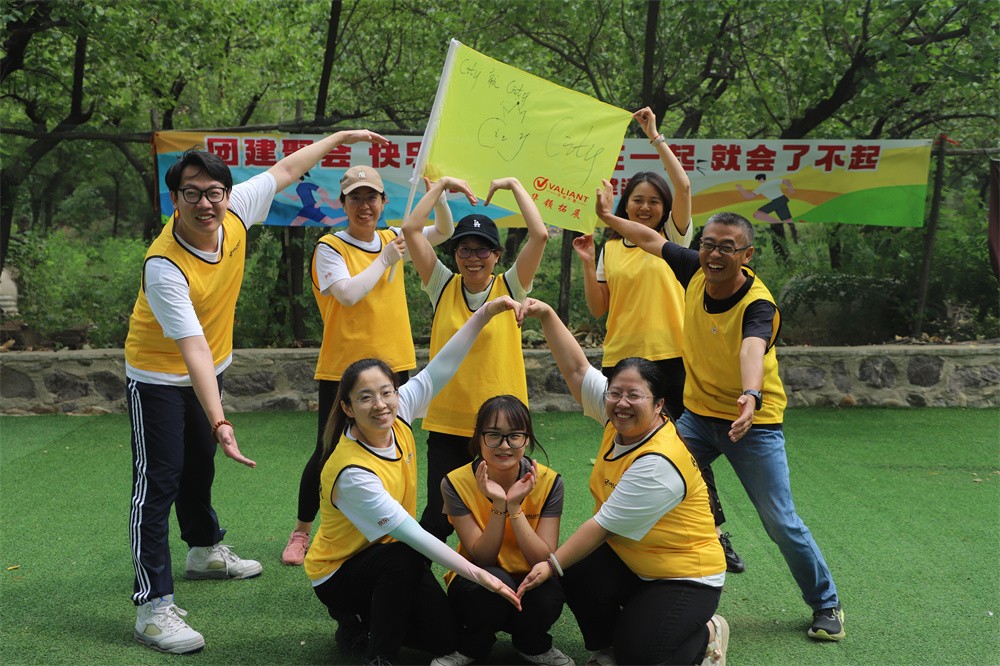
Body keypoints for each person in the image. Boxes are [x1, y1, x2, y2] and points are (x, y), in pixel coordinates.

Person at [125, 129, 389, 654]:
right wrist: (221, 420)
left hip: (210, 367)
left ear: (227, 194)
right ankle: (152, 607)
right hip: (157, 376)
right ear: (174, 199)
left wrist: (341, 137)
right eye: (192, 193)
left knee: (198, 466)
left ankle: (204, 550)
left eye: (214, 192)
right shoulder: (164, 265)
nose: (205, 203)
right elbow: (192, 349)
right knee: (157, 484)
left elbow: (287, 169)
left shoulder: (235, 211)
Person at [595, 188, 846, 642]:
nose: (713, 254)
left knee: (779, 520)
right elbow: (650, 239)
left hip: (752, 424)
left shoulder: (759, 305)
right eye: (708, 244)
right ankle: (649, 580)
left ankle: (826, 603)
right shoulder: (695, 268)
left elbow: (752, 348)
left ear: (746, 255)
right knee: (648, 479)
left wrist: (750, 394)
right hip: (696, 417)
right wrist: (608, 218)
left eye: (726, 248)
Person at [305, 297, 524, 666]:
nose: (380, 404)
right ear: (347, 408)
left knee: (446, 639)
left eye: (386, 392)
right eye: (365, 398)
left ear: (396, 392)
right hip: (340, 572)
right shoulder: (352, 472)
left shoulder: (399, 413)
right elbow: (412, 535)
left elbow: (443, 365)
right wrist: (482, 577)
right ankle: (378, 653)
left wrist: (484, 314)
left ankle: (365, 619)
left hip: (391, 556)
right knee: (405, 558)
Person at [573, 106, 745, 574]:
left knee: (683, 447)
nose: (645, 207)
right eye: (637, 200)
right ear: (625, 204)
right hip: (622, 360)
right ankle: (621, 527)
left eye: (653, 201)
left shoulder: (674, 238)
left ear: (665, 209)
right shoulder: (610, 247)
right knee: (625, 442)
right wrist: (588, 264)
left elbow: (684, 186)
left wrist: (655, 137)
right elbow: (599, 308)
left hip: (671, 359)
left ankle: (713, 531)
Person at [516, 298, 729, 666]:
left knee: (641, 655)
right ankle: (612, 645)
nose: (622, 403)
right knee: (578, 570)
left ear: (659, 404)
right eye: (615, 393)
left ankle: (709, 633)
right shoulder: (617, 416)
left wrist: (549, 565)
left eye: (634, 396)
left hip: (684, 575)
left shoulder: (659, 463)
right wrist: (548, 315)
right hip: (634, 558)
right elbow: (577, 369)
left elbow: (600, 527)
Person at [281, 164, 455, 566]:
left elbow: (443, 231)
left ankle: (387, 526)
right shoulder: (330, 246)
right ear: (343, 203)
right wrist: (385, 260)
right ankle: (302, 530)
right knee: (328, 449)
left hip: (394, 364)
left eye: (371, 197)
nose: (364, 205)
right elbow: (346, 294)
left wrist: (440, 195)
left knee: (392, 445)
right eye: (355, 197)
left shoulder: (394, 237)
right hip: (344, 368)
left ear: (383, 201)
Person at [402, 175, 548, 541]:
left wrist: (516, 186)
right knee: (439, 517)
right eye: (464, 250)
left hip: (502, 426)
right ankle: (415, 573)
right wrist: (441, 186)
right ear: (454, 255)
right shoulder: (441, 285)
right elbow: (411, 230)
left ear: (497, 256)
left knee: (502, 509)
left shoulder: (511, 286)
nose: (473, 258)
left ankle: (501, 570)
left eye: (483, 250)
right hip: (448, 421)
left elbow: (540, 235)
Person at [432, 395, 573, 666]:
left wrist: (514, 507)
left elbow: (542, 557)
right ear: (479, 438)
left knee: (549, 588)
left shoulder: (550, 481)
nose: (504, 445)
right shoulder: (454, 482)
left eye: (514, 436)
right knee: (490, 582)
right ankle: (473, 646)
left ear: (527, 439)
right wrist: (499, 505)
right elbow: (482, 557)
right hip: (477, 579)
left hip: (529, 579)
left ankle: (532, 644)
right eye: (494, 435)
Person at [735, 173, 798, 261]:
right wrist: (791, 189)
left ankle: (782, 227)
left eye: (758, 180)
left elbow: (748, 196)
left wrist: (740, 188)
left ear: (761, 179)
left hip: (778, 200)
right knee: (787, 220)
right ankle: (795, 240)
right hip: (781, 199)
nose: (758, 181)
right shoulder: (767, 184)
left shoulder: (765, 185)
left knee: (757, 214)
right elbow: (786, 181)